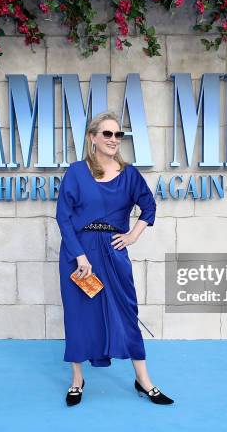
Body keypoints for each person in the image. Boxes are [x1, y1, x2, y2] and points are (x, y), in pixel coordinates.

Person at [55, 110, 174, 407]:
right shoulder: (76, 171)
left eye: (118, 134)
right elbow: (63, 216)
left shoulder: (129, 174)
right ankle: (77, 379)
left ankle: (143, 380)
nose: (113, 139)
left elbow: (148, 206)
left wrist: (132, 236)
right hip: (79, 253)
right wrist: (80, 255)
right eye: (107, 134)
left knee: (126, 312)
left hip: (113, 251)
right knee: (79, 315)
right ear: (93, 138)